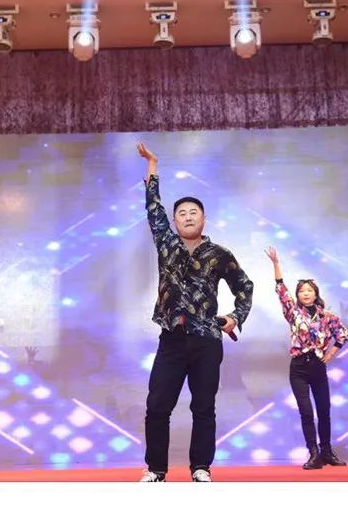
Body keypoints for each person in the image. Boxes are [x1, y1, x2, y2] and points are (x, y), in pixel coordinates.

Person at [137, 142, 254, 482]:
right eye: (182, 214)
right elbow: (153, 206)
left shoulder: (219, 254)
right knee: (157, 406)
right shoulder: (167, 243)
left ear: (204, 218)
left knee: (203, 407)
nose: (187, 217)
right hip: (172, 339)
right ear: (174, 221)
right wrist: (153, 165)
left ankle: (201, 467)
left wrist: (236, 317)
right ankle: (156, 469)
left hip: (207, 341)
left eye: (193, 212)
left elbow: (244, 286)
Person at [264, 247, 348, 470]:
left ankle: (327, 451)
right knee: (306, 412)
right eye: (302, 291)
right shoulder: (293, 313)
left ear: (315, 293)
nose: (306, 293)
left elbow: (342, 334)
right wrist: (276, 264)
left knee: (324, 411)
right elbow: (281, 290)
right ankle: (314, 454)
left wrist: (330, 354)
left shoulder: (326, 316)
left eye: (309, 290)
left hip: (318, 366)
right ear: (298, 295)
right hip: (299, 368)